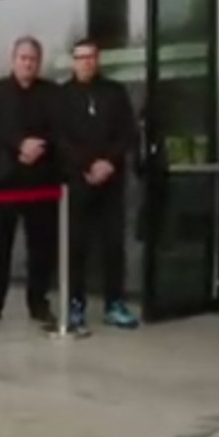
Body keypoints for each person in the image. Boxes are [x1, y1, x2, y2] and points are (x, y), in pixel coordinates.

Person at [0, 37, 59, 329]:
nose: (28, 63)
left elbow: (58, 129)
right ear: (13, 60)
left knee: (41, 247)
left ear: (39, 62)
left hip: (40, 180)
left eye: (33, 59)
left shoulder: (50, 93)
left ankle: (39, 303)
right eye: (23, 58)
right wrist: (20, 144)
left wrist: (39, 146)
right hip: (2, 181)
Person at [55, 38, 139, 334]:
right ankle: (75, 304)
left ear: (98, 59)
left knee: (113, 245)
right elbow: (60, 139)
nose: (86, 62)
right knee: (76, 246)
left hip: (111, 181)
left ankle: (114, 303)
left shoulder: (115, 93)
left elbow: (128, 132)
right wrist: (88, 165)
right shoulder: (62, 96)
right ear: (73, 61)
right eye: (80, 57)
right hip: (78, 182)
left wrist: (108, 163)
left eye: (91, 57)